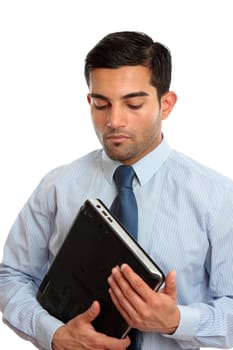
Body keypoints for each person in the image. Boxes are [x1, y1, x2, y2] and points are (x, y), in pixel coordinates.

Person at [0, 31, 233, 350]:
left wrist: (177, 320)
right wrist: (54, 335)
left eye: (133, 103)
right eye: (101, 104)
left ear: (166, 104)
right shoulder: (57, 186)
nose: (114, 120)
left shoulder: (218, 198)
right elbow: (11, 277)